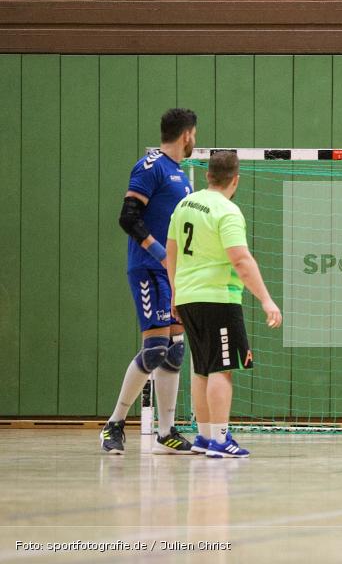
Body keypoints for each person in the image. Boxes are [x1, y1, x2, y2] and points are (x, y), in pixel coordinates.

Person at [166, 151, 282, 458]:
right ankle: (220, 440)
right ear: (236, 179)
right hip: (218, 298)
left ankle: (204, 437)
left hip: (188, 297)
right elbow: (241, 260)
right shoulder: (227, 211)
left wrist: (176, 291)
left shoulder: (184, 204)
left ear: (207, 175)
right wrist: (267, 300)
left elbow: (172, 249)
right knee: (222, 368)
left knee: (202, 369)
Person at [100, 108, 197, 455]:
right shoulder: (151, 166)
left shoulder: (182, 175)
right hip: (147, 268)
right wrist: (159, 254)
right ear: (187, 134)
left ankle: (167, 431)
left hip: (173, 273)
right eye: (194, 135)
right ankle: (114, 424)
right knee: (155, 349)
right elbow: (128, 217)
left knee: (175, 351)